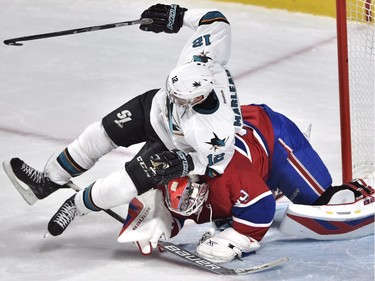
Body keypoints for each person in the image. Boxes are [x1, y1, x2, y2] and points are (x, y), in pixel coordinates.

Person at [3, 4, 244, 235]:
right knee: (98, 135)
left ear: (198, 98)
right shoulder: (202, 56)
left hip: (172, 146)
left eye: (178, 99)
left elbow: (215, 164)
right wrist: (178, 15)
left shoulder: (217, 130)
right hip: (151, 107)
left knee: (124, 184)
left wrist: (185, 163)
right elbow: (216, 21)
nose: (173, 99)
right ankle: (48, 181)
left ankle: (76, 205)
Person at [117, 103, 374, 263]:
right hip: (244, 154)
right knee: (232, 203)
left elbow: (261, 206)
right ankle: (267, 180)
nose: (189, 206)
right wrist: (153, 220)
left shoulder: (228, 177)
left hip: (272, 136)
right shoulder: (167, 175)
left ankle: (363, 192)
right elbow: (161, 200)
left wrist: (238, 238)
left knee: (320, 201)